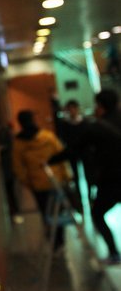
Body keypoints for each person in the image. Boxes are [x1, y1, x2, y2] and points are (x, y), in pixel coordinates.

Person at [49, 89, 121, 264]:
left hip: (111, 179)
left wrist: (50, 160)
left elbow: (73, 149)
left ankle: (114, 254)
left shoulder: (97, 128)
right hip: (112, 178)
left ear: (101, 106)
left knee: (98, 214)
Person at [12, 110, 72, 251]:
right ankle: (60, 240)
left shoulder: (18, 143)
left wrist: (26, 181)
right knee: (58, 211)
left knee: (46, 211)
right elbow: (61, 156)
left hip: (37, 183)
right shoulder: (48, 137)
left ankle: (53, 241)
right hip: (55, 180)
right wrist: (67, 176)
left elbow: (18, 166)